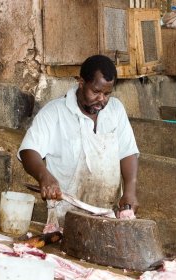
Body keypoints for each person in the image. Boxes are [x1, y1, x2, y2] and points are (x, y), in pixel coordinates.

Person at [18, 55, 140, 227]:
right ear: (81, 82)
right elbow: (28, 150)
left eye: (107, 94)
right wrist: (44, 176)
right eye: (96, 92)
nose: (102, 100)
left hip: (107, 214)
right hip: (65, 217)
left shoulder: (115, 110)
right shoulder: (54, 113)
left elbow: (127, 152)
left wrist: (130, 191)